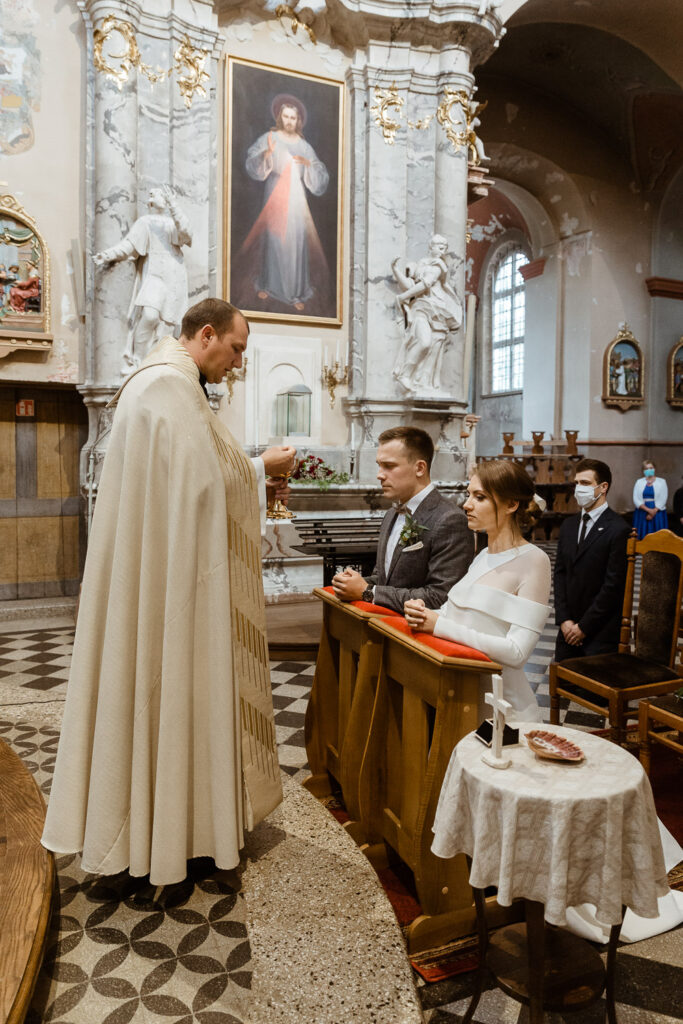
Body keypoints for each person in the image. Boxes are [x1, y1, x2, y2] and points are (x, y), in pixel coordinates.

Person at [42, 298, 297, 886]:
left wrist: (251, 469)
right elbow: (205, 485)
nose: (237, 363)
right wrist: (261, 466)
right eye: (236, 349)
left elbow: (191, 478)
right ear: (206, 334)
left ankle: (172, 826)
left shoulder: (159, 381)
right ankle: (164, 833)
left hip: (162, 572)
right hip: (173, 583)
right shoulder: (168, 387)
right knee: (169, 684)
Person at [403, 459, 550, 722]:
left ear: (511, 504)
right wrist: (425, 611)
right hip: (463, 695)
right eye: (469, 495)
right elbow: (456, 612)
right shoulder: (482, 555)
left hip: (504, 708)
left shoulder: (535, 560)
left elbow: (517, 653)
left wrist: (437, 625)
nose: (467, 504)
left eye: (479, 497)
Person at [331, 427, 473, 613]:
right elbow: (384, 579)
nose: (379, 475)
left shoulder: (450, 520)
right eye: (379, 465)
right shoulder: (392, 513)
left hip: (416, 636)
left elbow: (440, 596)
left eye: (389, 466)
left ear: (420, 468)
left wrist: (367, 592)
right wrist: (353, 583)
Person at [234, 95, 329, 313]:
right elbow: (252, 161)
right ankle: (269, 284)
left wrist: (308, 165)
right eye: (285, 116)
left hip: (296, 198)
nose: (289, 121)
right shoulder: (270, 137)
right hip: (275, 193)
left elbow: (319, 172)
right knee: (274, 239)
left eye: (293, 118)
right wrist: (267, 153)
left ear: (298, 121)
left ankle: (294, 293)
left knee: (294, 242)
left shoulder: (304, 146)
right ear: (280, 117)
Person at [93, 185, 192, 373]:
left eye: (160, 194)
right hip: (155, 273)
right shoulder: (146, 222)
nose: (155, 196)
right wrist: (108, 255)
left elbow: (186, 233)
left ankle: (160, 362)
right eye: (154, 194)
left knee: (168, 323)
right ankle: (138, 360)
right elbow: (129, 245)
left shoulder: (173, 223)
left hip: (174, 275)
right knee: (150, 315)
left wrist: (174, 205)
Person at [554, 458, 630, 664]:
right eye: (577, 483)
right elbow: (560, 575)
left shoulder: (618, 529)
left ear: (603, 487)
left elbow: (613, 587)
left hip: (599, 633)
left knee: (593, 695)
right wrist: (564, 620)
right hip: (567, 630)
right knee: (563, 687)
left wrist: (583, 627)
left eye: (585, 483)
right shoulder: (568, 526)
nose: (579, 489)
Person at [391, 234, 463, 396]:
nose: (442, 250)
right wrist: (396, 270)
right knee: (424, 342)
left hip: (438, 310)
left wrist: (403, 297)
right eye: (439, 246)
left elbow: (425, 284)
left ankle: (425, 384)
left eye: (444, 247)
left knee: (435, 349)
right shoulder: (420, 264)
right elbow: (410, 285)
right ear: (431, 247)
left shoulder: (439, 265)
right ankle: (405, 374)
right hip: (421, 308)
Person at [633, 459, 668, 539]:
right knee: (642, 534)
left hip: (658, 513)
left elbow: (663, 498)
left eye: (651, 468)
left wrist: (653, 511)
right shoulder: (639, 482)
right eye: (646, 469)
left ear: (655, 469)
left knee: (658, 535)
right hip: (642, 512)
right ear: (643, 471)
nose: (649, 470)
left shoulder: (662, 482)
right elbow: (636, 499)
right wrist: (649, 511)